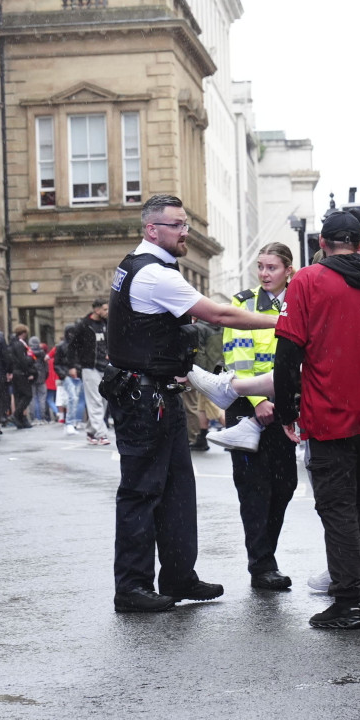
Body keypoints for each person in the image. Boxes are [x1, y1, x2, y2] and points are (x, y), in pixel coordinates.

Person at [105, 195, 276, 613]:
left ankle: (180, 576)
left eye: (185, 224)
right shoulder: (151, 274)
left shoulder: (147, 266)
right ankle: (132, 588)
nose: (186, 232)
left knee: (178, 489)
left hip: (157, 394)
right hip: (143, 397)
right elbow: (221, 316)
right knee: (143, 492)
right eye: (178, 225)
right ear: (152, 230)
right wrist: (285, 320)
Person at [273, 210, 360, 629]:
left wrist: (287, 410)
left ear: (322, 243)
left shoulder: (307, 282)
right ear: (359, 242)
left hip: (329, 411)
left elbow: (288, 353)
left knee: (335, 505)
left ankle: (347, 597)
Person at [215, 243, 299, 590]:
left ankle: (266, 557)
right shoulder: (243, 302)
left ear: (288, 270)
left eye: (272, 268)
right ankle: (261, 565)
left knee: (285, 484)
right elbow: (237, 356)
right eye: (261, 267)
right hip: (247, 404)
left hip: (282, 405)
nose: (264, 274)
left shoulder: (299, 299)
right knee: (253, 489)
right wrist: (255, 400)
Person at [71, 299, 110, 444]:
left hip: (105, 366)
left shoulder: (107, 324)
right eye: (105, 309)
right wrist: (73, 366)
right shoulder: (83, 325)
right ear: (97, 310)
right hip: (89, 367)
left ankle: (91, 432)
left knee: (104, 400)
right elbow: (72, 346)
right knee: (95, 401)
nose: (107, 312)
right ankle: (102, 434)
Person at [9, 324, 36, 430]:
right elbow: (22, 360)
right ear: (24, 333)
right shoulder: (19, 345)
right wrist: (30, 367)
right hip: (20, 373)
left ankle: (20, 419)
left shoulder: (13, 344)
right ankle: (16, 414)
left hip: (16, 372)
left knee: (19, 396)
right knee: (27, 395)